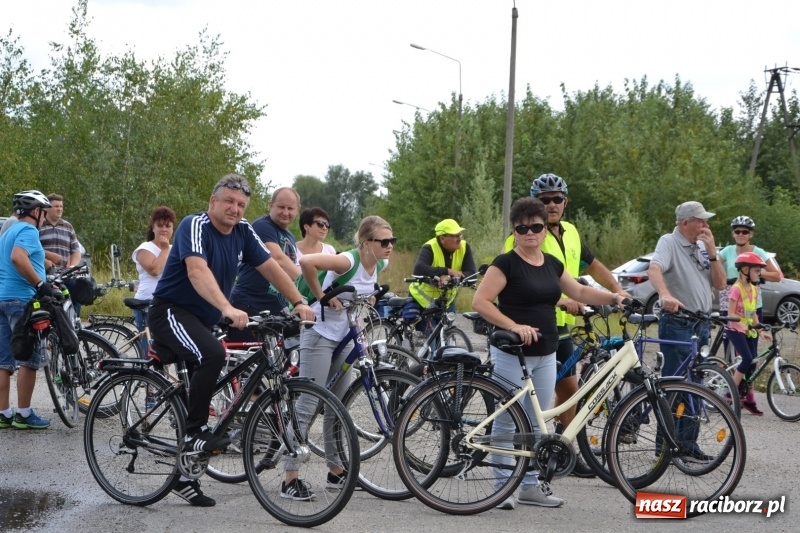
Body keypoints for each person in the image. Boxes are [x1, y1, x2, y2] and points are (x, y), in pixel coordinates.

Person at [147, 174, 314, 507]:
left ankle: (183, 474)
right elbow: (197, 271)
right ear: (213, 202)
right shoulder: (195, 226)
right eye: (229, 202)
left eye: (241, 205)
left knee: (214, 370)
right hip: (171, 312)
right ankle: (194, 434)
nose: (235, 209)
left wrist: (298, 302)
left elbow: (270, 268)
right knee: (212, 354)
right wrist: (226, 307)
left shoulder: (242, 231)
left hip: (203, 318)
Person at [472, 197, 628, 510]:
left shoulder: (552, 264)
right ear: (514, 231)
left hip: (546, 351)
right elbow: (481, 302)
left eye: (536, 227)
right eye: (522, 227)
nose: (530, 232)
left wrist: (616, 296)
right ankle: (503, 487)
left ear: (546, 231)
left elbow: (580, 291)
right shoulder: (505, 264)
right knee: (507, 421)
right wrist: (514, 325)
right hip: (512, 351)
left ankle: (529, 486)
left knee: (536, 421)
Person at [504, 174, 628, 447]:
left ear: (565, 202)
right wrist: (563, 300)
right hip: (531, 324)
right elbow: (519, 279)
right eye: (544, 200)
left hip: (563, 325)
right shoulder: (526, 234)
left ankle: (563, 447)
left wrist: (616, 290)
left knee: (569, 389)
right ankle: (520, 444)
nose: (551, 205)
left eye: (557, 199)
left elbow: (593, 264)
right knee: (527, 395)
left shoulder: (570, 231)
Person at [291, 215, 394, 501]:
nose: (389, 247)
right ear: (365, 243)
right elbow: (307, 263)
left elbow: (367, 286)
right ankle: (290, 476)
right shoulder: (348, 261)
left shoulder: (381, 262)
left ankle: (335, 470)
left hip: (346, 334)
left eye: (392, 241)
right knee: (310, 401)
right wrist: (322, 296)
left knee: (338, 405)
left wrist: (371, 297)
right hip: (320, 333)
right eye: (383, 241)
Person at [648, 201, 727, 460]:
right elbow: (655, 268)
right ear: (684, 223)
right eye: (700, 220)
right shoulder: (668, 242)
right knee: (675, 385)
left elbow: (721, 284)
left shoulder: (703, 247)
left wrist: (713, 252)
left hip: (701, 323)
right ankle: (666, 447)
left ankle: (688, 445)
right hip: (678, 322)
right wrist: (664, 293)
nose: (706, 225)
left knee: (697, 384)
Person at [0, 190, 55, 430]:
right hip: (22, 300)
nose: (45, 218)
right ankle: (23, 414)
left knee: (3, 361)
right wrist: (40, 284)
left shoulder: (7, 231)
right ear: (36, 212)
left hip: (2, 298)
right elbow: (18, 257)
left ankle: (3, 413)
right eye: (44, 212)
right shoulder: (28, 230)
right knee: (29, 359)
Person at [228, 187, 301, 341]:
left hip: (274, 313)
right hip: (249, 306)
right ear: (270, 205)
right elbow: (278, 258)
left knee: (275, 362)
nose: (285, 212)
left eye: (290, 208)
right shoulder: (263, 226)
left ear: (298, 210)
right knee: (246, 361)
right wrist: (307, 284)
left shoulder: (289, 235)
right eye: (281, 207)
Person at [406, 218, 477, 329]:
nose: (459, 239)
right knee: (428, 339)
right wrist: (447, 271)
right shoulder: (429, 247)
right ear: (442, 238)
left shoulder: (464, 247)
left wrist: (448, 277)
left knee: (444, 337)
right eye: (455, 236)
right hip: (424, 301)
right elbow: (419, 269)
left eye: (460, 234)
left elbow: (472, 274)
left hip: (447, 302)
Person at [725, 252, 772, 415]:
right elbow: (731, 313)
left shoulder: (754, 289)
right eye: (757, 270)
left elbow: (753, 314)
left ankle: (749, 400)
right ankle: (730, 393)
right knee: (746, 359)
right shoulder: (736, 289)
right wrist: (743, 324)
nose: (759, 273)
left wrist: (761, 330)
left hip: (748, 330)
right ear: (745, 270)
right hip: (734, 329)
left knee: (753, 363)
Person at [718, 216, 783, 321]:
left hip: (751, 301)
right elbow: (713, 266)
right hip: (732, 302)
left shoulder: (758, 252)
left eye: (745, 232)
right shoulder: (727, 251)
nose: (740, 234)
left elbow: (777, 276)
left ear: (750, 234)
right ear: (733, 234)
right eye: (737, 231)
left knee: (751, 332)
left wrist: (758, 273)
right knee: (731, 334)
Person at [131, 206, 176, 353]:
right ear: (153, 228)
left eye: (168, 226)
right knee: (150, 352)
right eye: (160, 226)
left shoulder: (175, 248)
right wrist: (164, 250)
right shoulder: (145, 248)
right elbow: (155, 270)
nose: (164, 229)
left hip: (169, 304)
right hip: (147, 304)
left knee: (168, 350)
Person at [38, 193, 83, 314]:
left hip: (64, 274)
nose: (59, 209)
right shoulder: (39, 226)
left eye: (61, 206)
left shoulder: (68, 226)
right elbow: (33, 249)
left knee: (77, 290)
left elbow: (75, 251)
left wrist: (72, 267)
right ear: (47, 208)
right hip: (44, 274)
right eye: (56, 206)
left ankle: (74, 323)